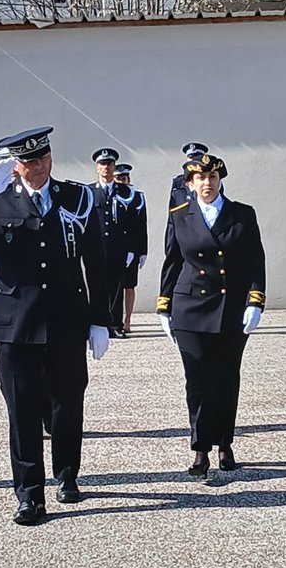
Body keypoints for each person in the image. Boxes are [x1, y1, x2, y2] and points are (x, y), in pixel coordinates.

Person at [0, 127, 111, 526]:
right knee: (21, 409)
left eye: (41, 158)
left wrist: (99, 319)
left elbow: (97, 259)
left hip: (66, 318)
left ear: (50, 158)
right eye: (26, 160)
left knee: (68, 401)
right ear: (14, 165)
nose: (35, 166)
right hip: (15, 324)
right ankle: (28, 494)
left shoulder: (78, 196)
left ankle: (68, 474)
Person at [157, 151, 266, 477]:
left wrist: (255, 302)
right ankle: (200, 449)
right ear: (190, 183)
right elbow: (173, 262)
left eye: (213, 177)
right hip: (190, 309)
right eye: (200, 178)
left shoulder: (242, 215)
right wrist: (164, 305)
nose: (207, 183)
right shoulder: (180, 215)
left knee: (226, 379)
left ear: (220, 180)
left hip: (230, 309)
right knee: (198, 381)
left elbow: (255, 261)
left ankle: (225, 443)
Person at [90, 147, 130, 338]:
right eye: (102, 164)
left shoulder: (125, 191)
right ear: (97, 168)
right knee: (97, 285)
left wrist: (135, 249)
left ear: (114, 167)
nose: (106, 168)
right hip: (96, 246)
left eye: (109, 164)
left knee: (116, 287)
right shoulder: (88, 191)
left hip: (117, 246)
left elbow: (134, 223)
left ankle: (115, 324)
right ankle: (98, 322)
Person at [113, 162, 148, 333]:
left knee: (129, 285)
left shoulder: (138, 197)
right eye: (118, 178)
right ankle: (114, 320)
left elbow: (142, 226)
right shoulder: (110, 196)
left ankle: (127, 320)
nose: (121, 181)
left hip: (132, 249)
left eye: (124, 178)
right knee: (114, 286)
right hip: (115, 249)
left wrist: (143, 251)